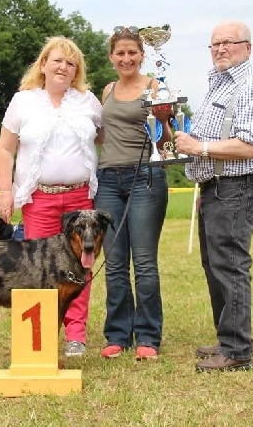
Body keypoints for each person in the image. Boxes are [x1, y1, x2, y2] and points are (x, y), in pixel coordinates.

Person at [173, 20, 253, 371]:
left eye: (228, 42)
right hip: (216, 188)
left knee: (230, 264)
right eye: (214, 44)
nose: (220, 49)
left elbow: (247, 147)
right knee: (215, 264)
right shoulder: (219, 85)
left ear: (248, 47)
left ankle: (237, 352)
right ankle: (226, 338)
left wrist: (198, 148)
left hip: (237, 187)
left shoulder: (252, 87)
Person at [0, 36, 102, 357]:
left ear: (76, 71)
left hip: (81, 197)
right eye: (57, 60)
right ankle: (38, 338)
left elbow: (106, 136)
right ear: (43, 65)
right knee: (39, 268)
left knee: (80, 267)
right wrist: (5, 190)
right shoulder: (23, 101)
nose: (63, 67)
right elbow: (5, 148)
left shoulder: (88, 101)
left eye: (71, 64)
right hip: (38, 198)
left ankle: (76, 335)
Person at [94, 26, 173, 361]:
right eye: (120, 53)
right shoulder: (108, 89)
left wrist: (164, 121)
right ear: (112, 57)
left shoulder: (155, 87)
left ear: (142, 55)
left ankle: (148, 336)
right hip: (108, 180)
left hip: (146, 178)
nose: (126, 58)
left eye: (132, 52)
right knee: (113, 263)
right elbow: (100, 135)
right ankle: (117, 334)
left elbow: (165, 140)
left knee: (143, 262)